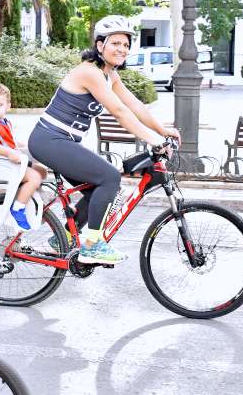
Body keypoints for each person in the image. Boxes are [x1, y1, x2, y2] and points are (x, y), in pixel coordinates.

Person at [26, 15, 179, 266]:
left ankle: (60, 241)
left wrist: (163, 130)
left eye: (126, 45)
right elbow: (119, 112)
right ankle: (92, 246)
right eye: (115, 43)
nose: (122, 49)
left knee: (98, 189)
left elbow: (134, 105)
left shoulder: (110, 75)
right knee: (109, 177)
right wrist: (153, 140)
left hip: (63, 142)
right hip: (49, 140)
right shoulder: (90, 72)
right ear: (100, 45)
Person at [0, 82, 49, 231]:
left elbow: (8, 141)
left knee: (42, 170)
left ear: (8, 106)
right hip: (3, 163)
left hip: (12, 161)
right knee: (35, 177)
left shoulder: (4, 122)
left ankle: (32, 198)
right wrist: (9, 152)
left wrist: (25, 144)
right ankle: (18, 208)